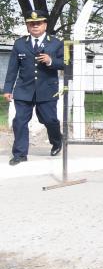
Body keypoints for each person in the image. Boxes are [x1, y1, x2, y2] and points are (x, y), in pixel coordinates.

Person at [3, 10, 64, 165]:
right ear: (28, 26)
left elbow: (66, 64)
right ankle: (20, 154)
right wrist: (8, 89)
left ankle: (57, 141)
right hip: (24, 89)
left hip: (47, 89)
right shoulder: (20, 44)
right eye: (32, 24)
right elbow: (12, 68)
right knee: (20, 121)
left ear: (45, 25)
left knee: (49, 119)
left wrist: (51, 61)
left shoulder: (55, 43)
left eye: (38, 23)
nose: (35, 26)